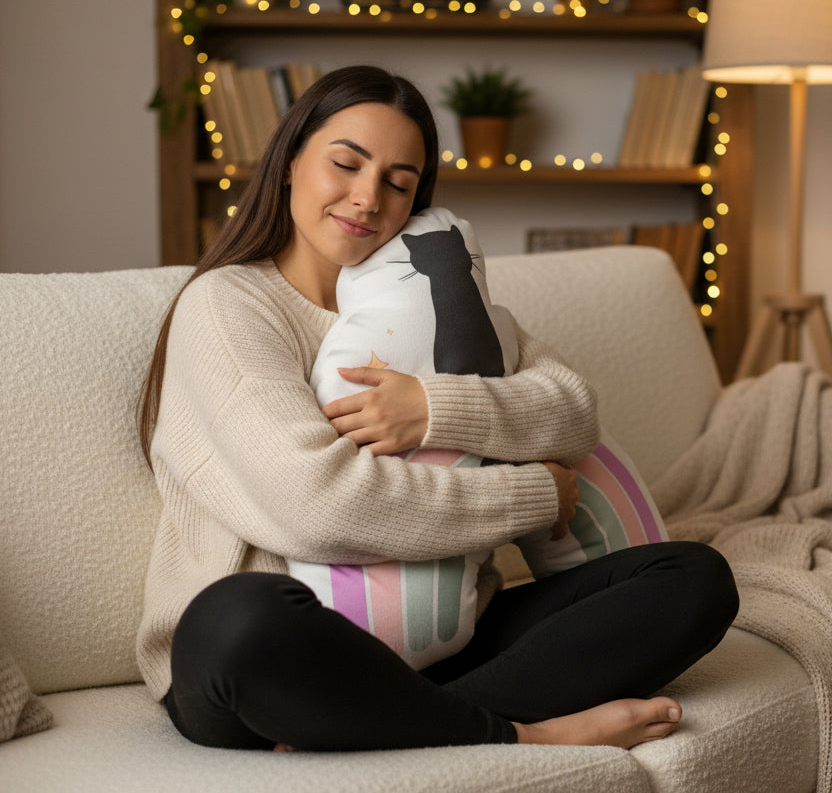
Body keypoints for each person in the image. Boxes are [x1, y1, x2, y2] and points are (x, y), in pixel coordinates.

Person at [136, 64, 739, 753]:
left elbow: (572, 412)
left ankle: (377, 722)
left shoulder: (438, 294)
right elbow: (322, 506)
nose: (367, 198)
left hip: (448, 637)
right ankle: (526, 734)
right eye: (346, 163)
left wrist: (432, 407)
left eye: (399, 182)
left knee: (693, 577)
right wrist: (536, 493)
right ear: (289, 161)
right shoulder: (228, 305)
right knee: (239, 619)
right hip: (285, 649)